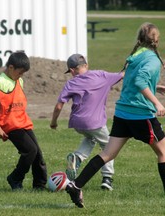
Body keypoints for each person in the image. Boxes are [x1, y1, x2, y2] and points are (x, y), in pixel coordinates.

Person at [66, 22, 165, 208]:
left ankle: (76, 185)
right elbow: (139, 80)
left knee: (107, 154)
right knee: (164, 152)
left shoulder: (135, 55)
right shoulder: (151, 58)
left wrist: (155, 88)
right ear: (157, 39)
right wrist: (157, 102)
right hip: (141, 115)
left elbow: (130, 79)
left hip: (122, 114)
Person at [50, 54, 124, 191]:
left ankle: (77, 158)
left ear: (72, 71)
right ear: (86, 65)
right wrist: (131, 64)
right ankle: (107, 178)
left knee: (90, 138)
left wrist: (53, 122)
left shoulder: (71, 83)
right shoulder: (102, 75)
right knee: (109, 147)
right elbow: (122, 74)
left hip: (77, 122)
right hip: (95, 122)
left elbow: (59, 106)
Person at [0, 51, 47, 190]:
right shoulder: (0, 82)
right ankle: (15, 178)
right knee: (30, 151)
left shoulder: (19, 80)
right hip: (10, 125)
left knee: (38, 154)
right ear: (11, 68)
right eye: (19, 72)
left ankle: (39, 185)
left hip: (23, 122)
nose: (21, 76)